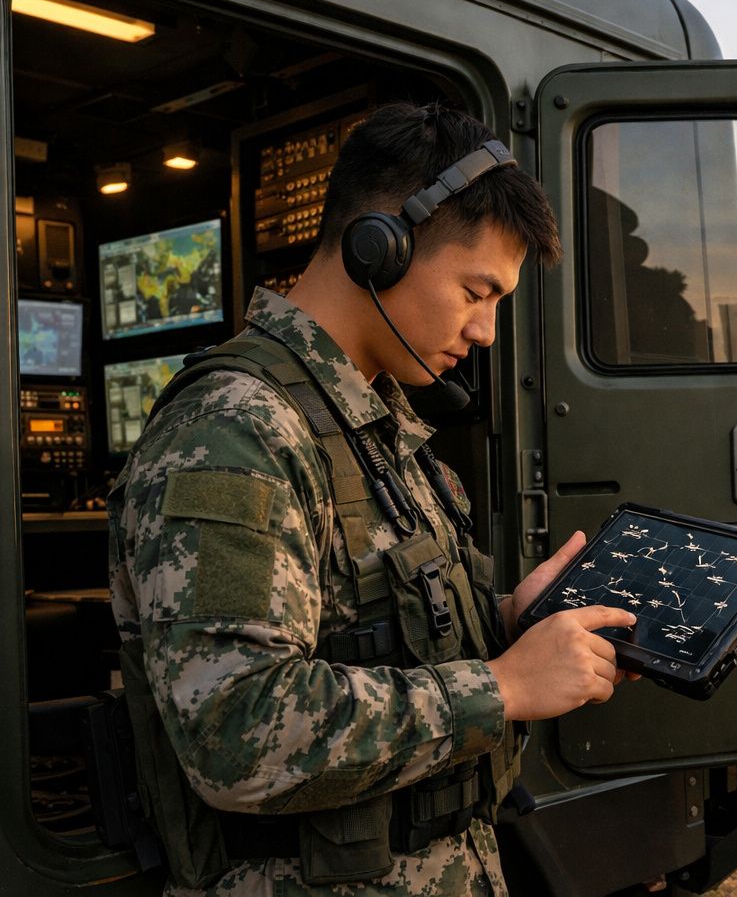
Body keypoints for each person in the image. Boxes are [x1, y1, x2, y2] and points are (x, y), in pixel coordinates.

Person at [108, 102, 635, 895]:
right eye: (476, 290)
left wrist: (503, 629)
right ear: (378, 248)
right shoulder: (235, 429)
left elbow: (361, 635)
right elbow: (236, 731)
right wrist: (503, 687)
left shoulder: (378, 426)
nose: (487, 331)